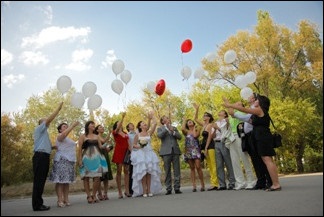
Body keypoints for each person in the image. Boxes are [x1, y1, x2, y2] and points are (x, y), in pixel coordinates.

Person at [223, 94, 282, 191]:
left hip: (263, 136)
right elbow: (246, 118)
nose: (255, 101)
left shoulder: (259, 110)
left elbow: (245, 110)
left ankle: (276, 184)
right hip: (260, 136)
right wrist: (230, 106)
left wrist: (230, 105)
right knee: (266, 160)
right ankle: (274, 183)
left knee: (267, 160)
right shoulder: (257, 113)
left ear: (260, 102)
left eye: (256, 100)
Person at [230, 93, 272, 190]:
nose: (247, 97)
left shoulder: (256, 109)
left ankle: (269, 181)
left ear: (254, 99)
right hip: (250, 136)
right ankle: (261, 181)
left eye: (250, 96)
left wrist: (231, 106)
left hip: (256, 135)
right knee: (255, 159)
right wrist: (232, 107)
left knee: (262, 159)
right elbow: (238, 115)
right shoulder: (252, 108)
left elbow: (244, 116)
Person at [32, 101, 63, 211]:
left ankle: (38, 203)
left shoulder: (44, 134)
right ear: (41, 123)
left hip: (44, 157)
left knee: (41, 180)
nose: (47, 121)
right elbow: (50, 119)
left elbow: (47, 146)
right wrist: (58, 109)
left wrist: (55, 146)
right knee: (39, 181)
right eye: (45, 120)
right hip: (40, 157)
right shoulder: (39, 128)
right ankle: (37, 205)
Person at [49, 121, 80, 207]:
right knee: (60, 181)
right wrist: (72, 125)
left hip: (69, 162)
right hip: (61, 160)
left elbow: (75, 144)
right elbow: (64, 135)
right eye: (64, 126)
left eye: (67, 126)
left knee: (66, 182)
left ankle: (66, 199)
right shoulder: (60, 136)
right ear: (59, 130)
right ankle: (59, 200)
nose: (66, 127)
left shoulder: (68, 140)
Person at [131, 113, 162, 197]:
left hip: (149, 153)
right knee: (143, 173)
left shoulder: (149, 133)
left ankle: (149, 190)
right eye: (143, 124)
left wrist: (152, 118)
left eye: (145, 124)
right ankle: (144, 190)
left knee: (149, 172)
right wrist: (139, 146)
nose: (145, 125)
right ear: (140, 127)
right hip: (141, 154)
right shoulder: (137, 135)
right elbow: (133, 145)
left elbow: (154, 125)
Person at [226, 103, 256, 190]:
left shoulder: (242, 113)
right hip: (231, 138)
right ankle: (240, 182)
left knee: (244, 159)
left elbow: (231, 112)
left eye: (238, 104)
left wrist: (228, 103)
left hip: (240, 136)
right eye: (234, 103)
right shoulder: (232, 114)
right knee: (234, 161)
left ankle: (251, 180)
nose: (235, 104)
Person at [78, 120, 108, 204]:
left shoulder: (97, 136)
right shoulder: (83, 136)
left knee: (97, 177)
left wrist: (106, 144)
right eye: (92, 124)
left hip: (97, 157)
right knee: (86, 177)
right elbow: (79, 148)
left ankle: (94, 195)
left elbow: (101, 146)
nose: (93, 125)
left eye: (94, 124)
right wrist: (79, 159)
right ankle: (88, 196)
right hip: (86, 157)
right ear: (87, 126)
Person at [193, 103, 219, 191]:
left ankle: (215, 183)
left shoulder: (211, 125)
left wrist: (207, 148)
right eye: (203, 115)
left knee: (213, 164)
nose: (204, 117)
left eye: (205, 115)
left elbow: (210, 137)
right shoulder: (203, 125)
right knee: (210, 166)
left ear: (209, 117)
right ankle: (213, 183)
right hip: (204, 146)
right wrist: (197, 109)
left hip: (210, 145)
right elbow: (195, 119)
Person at [157, 115, 182, 195]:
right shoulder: (160, 128)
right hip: (165, 152)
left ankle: (177, 187)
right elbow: (160, 136)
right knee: (167, 171)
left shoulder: (174, 128)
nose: (168, 119)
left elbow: (180, 137)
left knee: (177, 170)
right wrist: (166, 129)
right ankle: (168, 188)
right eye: (166, 118)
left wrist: (173, 131)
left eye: (168, 118)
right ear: (162, 121)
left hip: (175, 151)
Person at [213, 110, 236, 190]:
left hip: (224, 142)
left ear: (225, 114)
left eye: (221, 111)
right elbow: (213, 135)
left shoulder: (226, 121)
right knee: (219, 164)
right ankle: (222, 184)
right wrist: (214, 129)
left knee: (228, 162)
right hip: (216, 143)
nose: (219, 112)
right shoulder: (215, 122)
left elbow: (226, 132)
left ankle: (232, 182)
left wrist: (217, 128)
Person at [181, 117, 205, 192]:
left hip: (196, 150)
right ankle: (194, 185)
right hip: (188, 150)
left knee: (198, 166)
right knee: (192, 168)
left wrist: (194, 128)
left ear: (194, 123)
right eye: (188, 122)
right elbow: (182, 129)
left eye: (191, 121)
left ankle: (202, 184)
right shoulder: (186, 132)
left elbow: (195, 136)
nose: (189, 122)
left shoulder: (197, 130)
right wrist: (184, 121)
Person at [112, 112, 131, 198]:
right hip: (119, 152)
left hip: (126, 152)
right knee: (119, 171)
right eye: (118, 123)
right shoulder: (115, 132)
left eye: (121, 123)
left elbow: (128, 143)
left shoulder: (125, 133)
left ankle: (126, 190)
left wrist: (130, 152)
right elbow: (117, 128)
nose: (120, 124)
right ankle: (119, 191)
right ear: (116, 125)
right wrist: (122, 117)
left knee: (126, 170)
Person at [94, 125, 114, 200]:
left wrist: (109, 147)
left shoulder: (102, 137)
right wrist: (109, 135)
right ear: (97, 130)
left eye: (103, 127)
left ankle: (105, 193)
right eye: (100, 127)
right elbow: (104, 142)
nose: (102, 128)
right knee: (99, 175)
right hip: (99, 156)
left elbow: (105, 143)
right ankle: (99, 193)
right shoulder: (97, 136)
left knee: (106, 175)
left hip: (105, 155)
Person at [126, 122, 136, 196]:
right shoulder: (128, 135)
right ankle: (131, 189)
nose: (132, 126)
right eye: (130, 125)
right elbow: (128, 144)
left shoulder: (137, 133)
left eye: (132, 125)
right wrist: (131, 152)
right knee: (131, 171)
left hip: (138, 152)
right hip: (132, 152)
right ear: (128, 128)